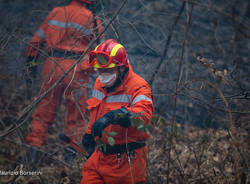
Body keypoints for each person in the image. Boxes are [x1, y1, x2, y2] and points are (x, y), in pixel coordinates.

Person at [25, 0, 104, 163]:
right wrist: (89, 68)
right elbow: (99, 52)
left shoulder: (56, 12)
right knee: (76, 114)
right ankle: (70, 160)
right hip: (77, 69)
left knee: (43, 110)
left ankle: (32, 154)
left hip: (52, 66)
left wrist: (31, 65)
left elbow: (35, 41)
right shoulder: (92, 18)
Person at [81, 39, 154, 184]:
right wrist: (90, 133)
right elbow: (96, 111)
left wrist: (115, 116)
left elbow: (143, 116)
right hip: (99, 157)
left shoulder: (139, 87)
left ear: (121, 68)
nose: (102, 74)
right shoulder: (100, 83)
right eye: (100, 70)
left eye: (107, 70)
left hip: (126, 162)